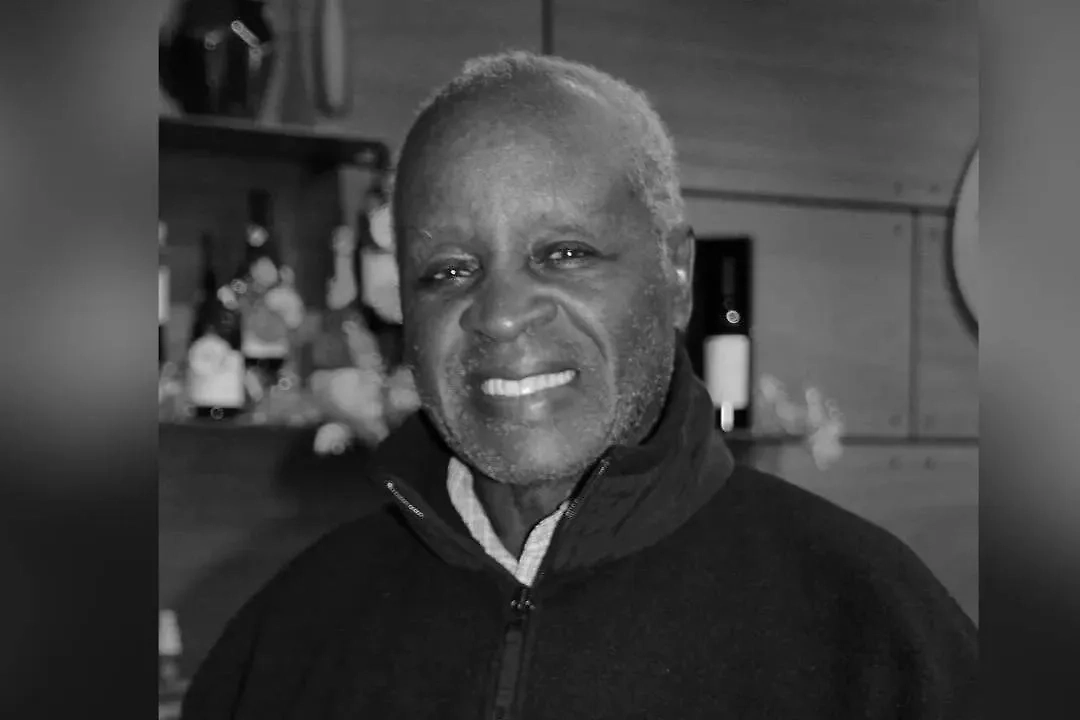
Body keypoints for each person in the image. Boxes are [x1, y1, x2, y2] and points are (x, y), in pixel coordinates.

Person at [182, 51, 977, 719]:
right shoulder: (288, 636)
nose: (499, 315)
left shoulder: (873, 632)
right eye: (448, 270)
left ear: (676, 273)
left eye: (564, 253)